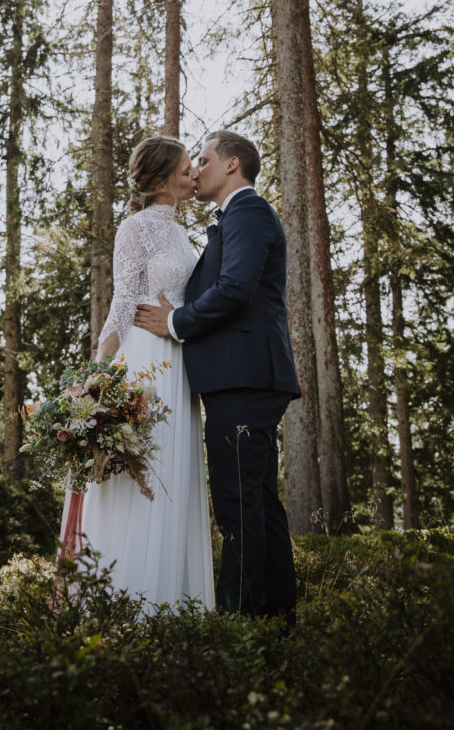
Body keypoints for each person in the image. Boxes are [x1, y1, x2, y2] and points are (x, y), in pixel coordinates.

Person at [135, 130, 301, 622]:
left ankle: (238, 622)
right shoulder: (236, 218)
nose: (195, 169)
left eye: (203, 159)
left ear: (232, 164)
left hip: (243, 379)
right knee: (257, 500)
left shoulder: (248, 210)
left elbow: (235, 288)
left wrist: (173, 323)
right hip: (244, 378)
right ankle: (276, 616)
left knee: (238, 504)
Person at [78, 135, 215, 610]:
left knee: (175, 476)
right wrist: (96, 378)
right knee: (143, 474)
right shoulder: (134, 228)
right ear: (159, 182)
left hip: (179, 361)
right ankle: (123, 599)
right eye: (185, 171)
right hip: (144, 361)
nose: (194, 175)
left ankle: (174, 605)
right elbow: (121, 304)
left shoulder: (181, 232)